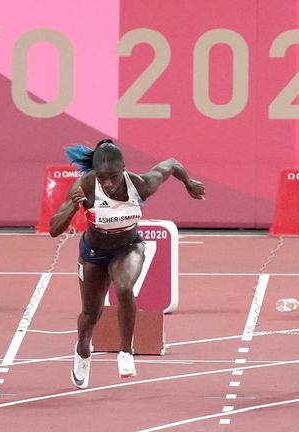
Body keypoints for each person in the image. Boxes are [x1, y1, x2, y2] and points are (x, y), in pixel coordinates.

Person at [49, 139, 205, 389]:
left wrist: (188, 183)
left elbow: (172, 164)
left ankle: (125, 351)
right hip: (93, 253)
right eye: (102, 178)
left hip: (128, 247)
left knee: (124, 287)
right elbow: (53, 230)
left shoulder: (140, 185)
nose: (108, 184)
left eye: (113, 177)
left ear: (123, 169)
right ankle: (82, 352)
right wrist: (72, 209)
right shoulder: (86, 186)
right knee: (91, 314)